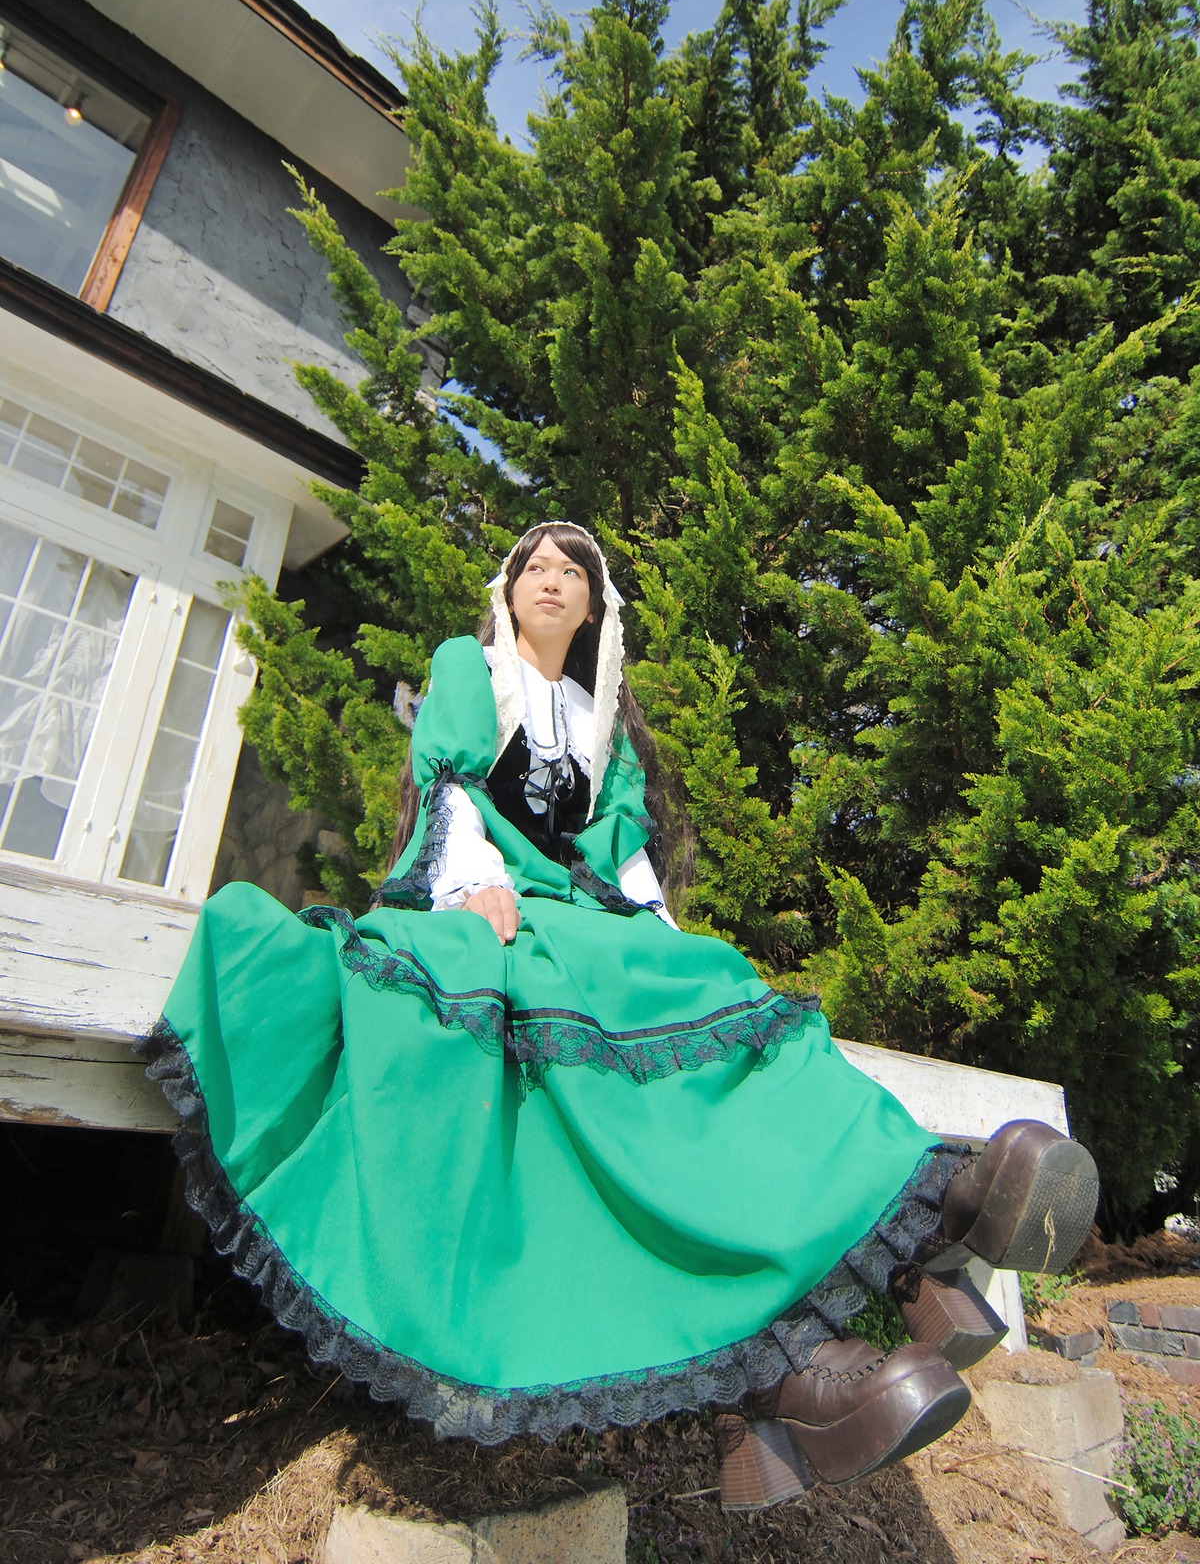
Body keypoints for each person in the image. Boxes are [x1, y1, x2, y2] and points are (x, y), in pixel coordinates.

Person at [144, 522, 1099, 1511]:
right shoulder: (468, 670)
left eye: (572, 572)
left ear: (595, 607)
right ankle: (827, 1350)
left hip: (589, 913)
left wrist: (666, 938)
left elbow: (622, 854)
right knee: (526, 1002)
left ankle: (932, 1204)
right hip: (487, 898)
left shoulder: (599, 717)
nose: (550, 580)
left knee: (725, 998)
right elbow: (452, 785)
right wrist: (472, 880)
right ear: (507, 589)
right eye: (533, 567)